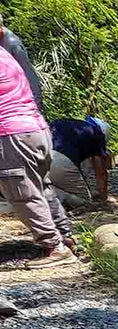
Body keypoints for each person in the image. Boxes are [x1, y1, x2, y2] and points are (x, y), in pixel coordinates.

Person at [0, 23, 76, 268]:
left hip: (13, 134)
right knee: (41, 188)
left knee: (23, 194)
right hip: (36, 130)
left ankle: (55, 247)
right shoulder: (5, 53)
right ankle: (65, 236)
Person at [48, 115, 111, 207]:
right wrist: (103, 197)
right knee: (84, 201)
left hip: (40, 156)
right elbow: (100, 173)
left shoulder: (66, 125)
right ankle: (53, 197)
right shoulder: (97, 134)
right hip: (60, 161)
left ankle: (42, 192)